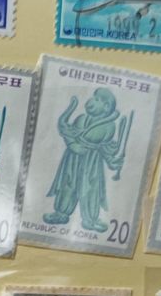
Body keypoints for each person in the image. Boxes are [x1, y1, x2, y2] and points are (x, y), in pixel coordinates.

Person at [43, 88, 123, 232]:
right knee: (67, 183)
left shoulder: (109, 126)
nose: (91, 101)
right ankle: (61, 213)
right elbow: (69, 133)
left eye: (97, 100)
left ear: (106, 107)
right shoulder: (81, 118)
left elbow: (105, 147)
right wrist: (72, 144)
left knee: (91, 188)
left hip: (92, 161)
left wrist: (112, 160)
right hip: (72, 158)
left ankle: (90, 219)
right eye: (93, 98)